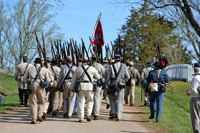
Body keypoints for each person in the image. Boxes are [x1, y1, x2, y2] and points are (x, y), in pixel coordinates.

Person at [70, 58, 100, 123]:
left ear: (83, 62)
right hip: (90, 87)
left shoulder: (78, 69)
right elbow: (98, 77)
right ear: (88, 62)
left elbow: (73, 80)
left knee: (81, 102)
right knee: (90, 101)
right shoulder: (92, 69)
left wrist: (72, 88)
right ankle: (88, 115)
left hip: (81, 87)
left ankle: (81, 118)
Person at [23, 58, 51, 124]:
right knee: (41, 102)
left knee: (33, 103)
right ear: (41, 63)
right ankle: (40, 115)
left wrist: (28, 83)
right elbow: (48, 80)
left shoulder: (30, 68)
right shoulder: (44, 69)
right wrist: (45, 84)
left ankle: (33, 119)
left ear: (35, 63)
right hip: (41, 86)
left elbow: (24, 78)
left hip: (32, 86)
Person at [106, 54, 130, 121]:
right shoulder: (124, 66)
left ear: (115, 59)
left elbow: (108, 78)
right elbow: (128, 77)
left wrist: (107, 85)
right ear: (120, 59)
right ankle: (119, 116)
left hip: (112, 84)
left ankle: (113, 112)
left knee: (112, 99)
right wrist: (124, 81)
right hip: (121, 84)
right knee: (120, 101)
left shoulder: (111, 67)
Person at [186, 63, 200, 133]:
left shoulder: (195, 78)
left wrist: (188, 92)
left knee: (195, 117)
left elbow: (193, 90)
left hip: (196, 99)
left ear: (195, 69)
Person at [91, 55, 106, 120]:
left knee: (90, 99)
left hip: (90, 83)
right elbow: (105, 75)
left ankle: (91, 112)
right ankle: (96, 114)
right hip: (98, 84)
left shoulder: (89, 65)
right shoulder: (101, 66)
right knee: (97, 99)